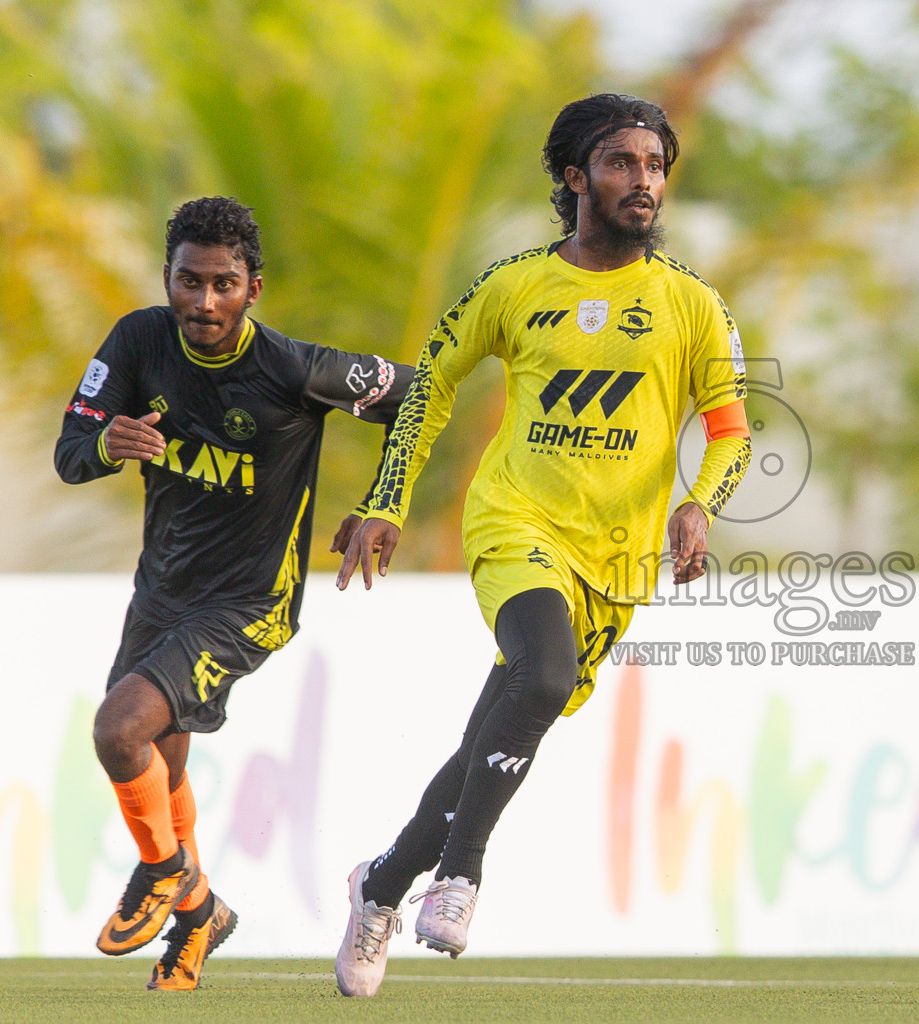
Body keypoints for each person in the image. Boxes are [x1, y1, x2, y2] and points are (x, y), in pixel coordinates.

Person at [331, 93, 751, 998]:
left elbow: (732, 431)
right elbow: (430, 386)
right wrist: (386, 502)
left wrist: (701, 504)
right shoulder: (513, 285)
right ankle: (461, 874)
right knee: (545, 678)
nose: (643, 181)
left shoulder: (693, 305)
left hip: (618, 559)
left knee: (503, 720)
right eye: (621, 163)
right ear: (575, 178)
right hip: (515, 520)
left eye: (654, 166)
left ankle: (385, 881)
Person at [55, 196, 413, 990]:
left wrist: (384, 503)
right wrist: (107, 443)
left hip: (250, 599)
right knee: (159, 756)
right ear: (168, 279)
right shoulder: (138, 340)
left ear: (255, 288)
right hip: (163, 589)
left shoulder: (294, 369)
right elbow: (70, 452)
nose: (204, 302)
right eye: (189, 282)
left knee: (120, 732)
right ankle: (199, 916)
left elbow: (416, 399)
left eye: (223, 284)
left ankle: (164, 874)